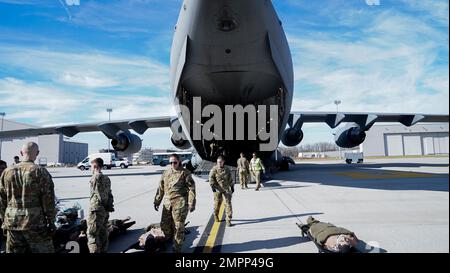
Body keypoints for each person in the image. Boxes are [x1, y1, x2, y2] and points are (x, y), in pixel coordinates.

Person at [0, 142, 56, 253]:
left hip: (12, 222)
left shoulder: (6, 172)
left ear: (21, 153)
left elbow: (2, 200)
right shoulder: (40, 172)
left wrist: (4, 221)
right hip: (35, 222)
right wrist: (51, 221)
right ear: (37, 153)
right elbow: (48, 200)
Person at [154, 153, 196, 253]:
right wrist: (157, 200)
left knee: (179, 226)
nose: (173, 164)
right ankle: (173, 239)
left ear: (179, 162)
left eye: (175, 162)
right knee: (165, 226)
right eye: (171, 162)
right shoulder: (166, 173)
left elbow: (191, 189)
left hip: (180, 204)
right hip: (167, 204)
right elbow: (161, 188)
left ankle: (177, 248)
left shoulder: (185, 173)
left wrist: (191, 203)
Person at [87, 157, 114, 253]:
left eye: (91, 166)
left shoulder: (95, 178)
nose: (90, 168)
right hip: (105, 210)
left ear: (95, 166)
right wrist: (108, 206)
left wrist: (102, 205)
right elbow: (110, 194)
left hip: (96, 209)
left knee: (92, 234)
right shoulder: (107, 178)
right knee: (103, 233)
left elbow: (98, 193)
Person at [209, 156, 234, 227]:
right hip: (217, 189)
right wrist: (213, 187)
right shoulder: (214, 169)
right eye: (218, 162)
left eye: (220, 162)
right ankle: (216, 215)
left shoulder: (227, 169)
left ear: (223, 162)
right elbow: (211, 179)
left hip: (226, 189)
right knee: (217, 204)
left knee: (228, 204)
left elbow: (230, 178)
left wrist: (232, 186)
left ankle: (228, 220)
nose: (219, 163)